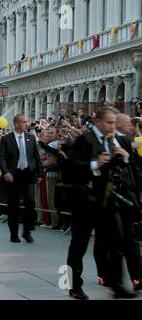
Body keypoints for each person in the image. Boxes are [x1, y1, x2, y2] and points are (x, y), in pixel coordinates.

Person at [64, 107, 137, 300]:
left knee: (117, 241)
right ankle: (73, 285)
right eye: (109, 122)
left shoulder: (111, 140)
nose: (112, 126)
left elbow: (113, 168)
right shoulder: (84, 139)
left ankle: (117, 284)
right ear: (98, 121)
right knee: (79, 244)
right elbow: (70, 166)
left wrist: (123, 157)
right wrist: (95, 163)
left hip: (107, 199)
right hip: (85, 200)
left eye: (114, 123)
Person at [0, 114, 43, 243]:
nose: (26, 124)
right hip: (13, 176)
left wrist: (39, 174)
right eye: (23, 122)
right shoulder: (6, 139)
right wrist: (6, 172)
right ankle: (14, 234)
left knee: (30, 203)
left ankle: (27, 231)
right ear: (16, 124)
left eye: (27, 122)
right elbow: (1, 158)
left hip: (28, 175)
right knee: (13, 206)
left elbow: (36, 157)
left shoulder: (31, 138)